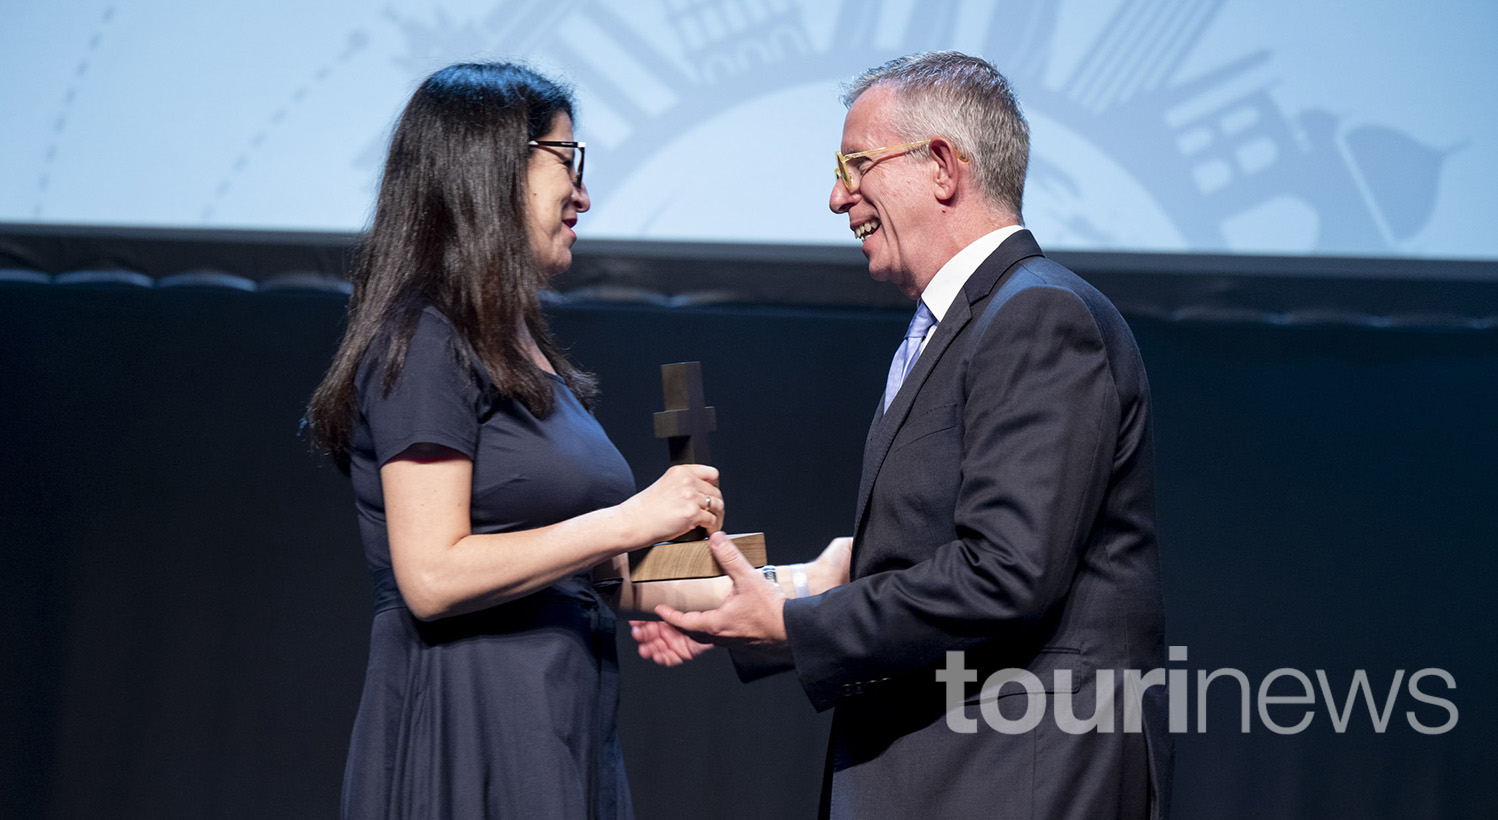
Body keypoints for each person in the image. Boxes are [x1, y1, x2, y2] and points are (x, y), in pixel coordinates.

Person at [637, 51, 1171, 819]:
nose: (836, 197)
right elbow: (928, 551)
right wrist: (756, 600)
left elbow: (1006, 574)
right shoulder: (956, 328)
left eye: (856, 165)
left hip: (1016, 776)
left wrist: (791, 626)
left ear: (944, 167)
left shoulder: (1036, 317)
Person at [304, 61, 844, 820]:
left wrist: (802, 583)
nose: (583, 194)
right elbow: (431, 575)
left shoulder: (520, 351)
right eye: (568, 160)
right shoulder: (426, 340)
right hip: (471, 720)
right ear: (491, 169)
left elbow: (608, 568)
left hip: (563, 713)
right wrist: (631, 519)